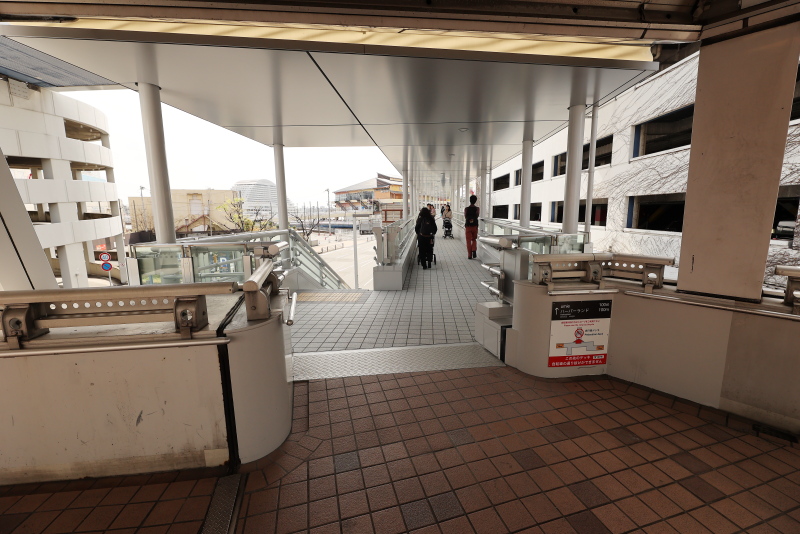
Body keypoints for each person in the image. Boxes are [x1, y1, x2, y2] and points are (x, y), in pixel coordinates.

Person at [464, 195, 479, 259]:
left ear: (470, 201)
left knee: (468, 241)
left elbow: (465, 216)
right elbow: (477, 215)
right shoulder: (477, 209)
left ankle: (469, 255)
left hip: (468, 226)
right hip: (475, 226)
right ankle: (474, 249)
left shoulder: (466, 209)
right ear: (475, 201)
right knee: (474, 239)